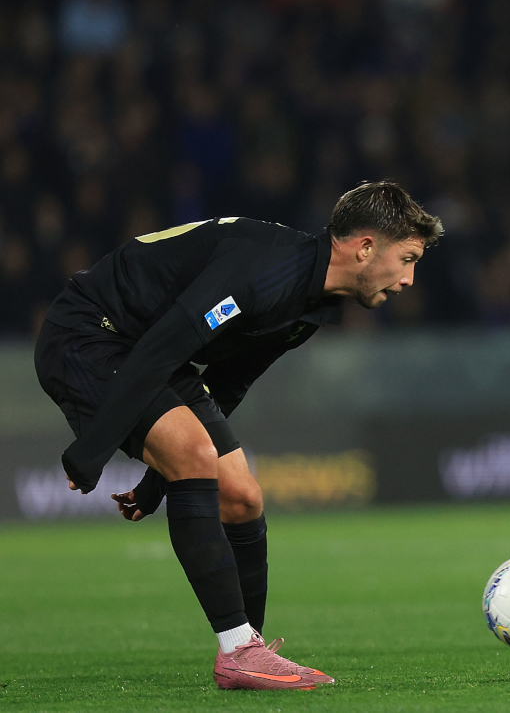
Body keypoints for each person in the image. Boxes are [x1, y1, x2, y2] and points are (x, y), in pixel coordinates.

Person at [34, 181, 442, 689]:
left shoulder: (309, 306)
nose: (408, 279)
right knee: (193, 452)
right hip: (90, 335)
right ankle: (237, 650)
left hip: (152, 351)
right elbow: (163, 347)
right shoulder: (267, 272)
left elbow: (227, 382)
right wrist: (93, 450)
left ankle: (249, 650)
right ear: (364, 248)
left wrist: (157, 481)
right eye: (406, 259)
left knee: (243, 497)